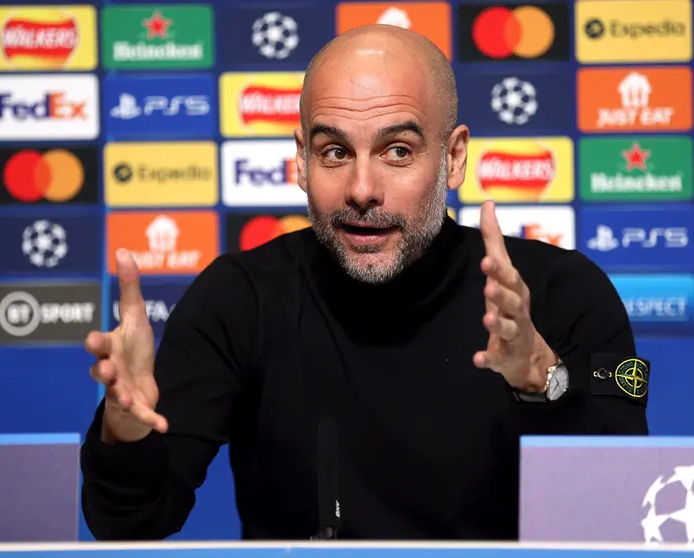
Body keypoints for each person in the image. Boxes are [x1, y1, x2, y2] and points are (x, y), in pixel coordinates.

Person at [80, 24, 648, 542]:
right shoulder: (241, 299)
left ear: (453, 158)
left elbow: (627, 513)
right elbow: (129, 525)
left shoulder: (563, 293)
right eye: (334, 152)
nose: (360, 188)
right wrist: (126, 433)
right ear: (301, 161)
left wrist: (540, 381)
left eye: (397, 151)